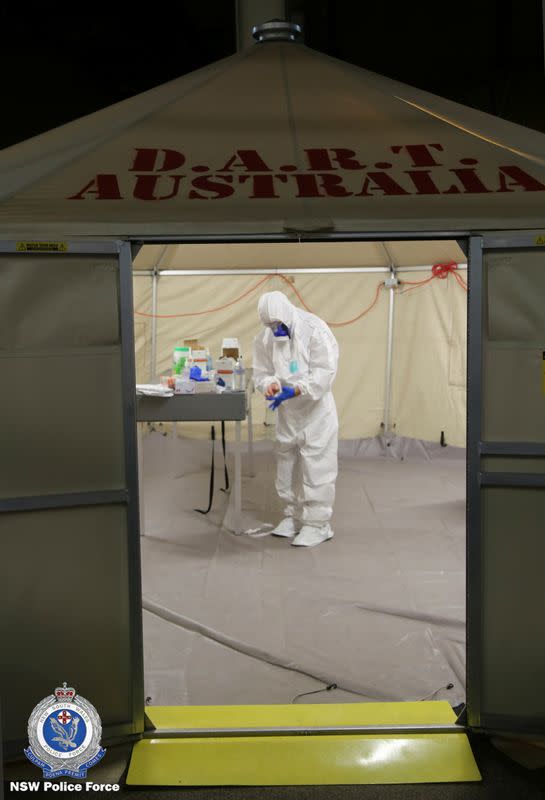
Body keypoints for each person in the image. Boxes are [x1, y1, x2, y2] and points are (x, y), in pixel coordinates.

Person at [253, 291, 339, 547]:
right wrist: (269, 385)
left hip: (316, 413)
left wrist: (299, 388)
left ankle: (318, 524)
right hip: (288, 413)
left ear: (287, 315)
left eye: (278, 325)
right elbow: (262, 371)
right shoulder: (266, 337)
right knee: (285, 465)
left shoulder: (314, 329)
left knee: (318, 466)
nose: (275, 330)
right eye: (270, 326)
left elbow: (325, 372)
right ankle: (290, 516)